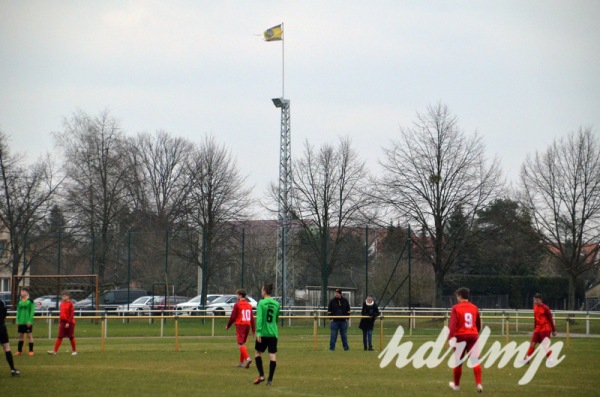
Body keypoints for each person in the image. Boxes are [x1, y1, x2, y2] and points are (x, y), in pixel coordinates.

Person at [447, 287, 483, 393]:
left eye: (457, 296)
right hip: (473, 335)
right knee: (475, 360)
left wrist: (450, 337)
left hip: (460, 336)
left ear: (460, 296)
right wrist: (476, 333)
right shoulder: (474, 307)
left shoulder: (455, 308)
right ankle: (479, 384)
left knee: (458, 362)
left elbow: (453, 325)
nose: (457, 298)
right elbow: (478, 323)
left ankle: (456, 386)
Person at [253, 283, 280, 386]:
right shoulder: (276, 304)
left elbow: (259, 319)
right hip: (273, 333)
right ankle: (270, 380)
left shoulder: (261, 303)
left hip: (263, 333)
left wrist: (258, 332)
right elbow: (276, 318)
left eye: (262, 290)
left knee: (257, 353)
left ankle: (261, 375)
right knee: (272, 356)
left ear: (264, 291)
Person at [521, 293, 557, 364]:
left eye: (537, 300)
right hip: (538, 329)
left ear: (540, 300)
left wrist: (553, 330)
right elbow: (535, 318)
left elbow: (550, 319)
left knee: (545, 346)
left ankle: (551, 360)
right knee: (532, 344)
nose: (535, 302)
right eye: (535, 300)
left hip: (545, 329)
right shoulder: (535, 307)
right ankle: (527, 360)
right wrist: (535, 328)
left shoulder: (545, 308)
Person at [226, 289, 256, 368]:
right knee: (243, 344)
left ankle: (248, 358)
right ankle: (241, 363)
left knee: (240, 344)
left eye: (237, 295)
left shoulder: (237, 305)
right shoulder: (249, 305)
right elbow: (252, 318)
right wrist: (253, 329)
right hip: (247, 325)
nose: (237, 296)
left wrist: (228, 325)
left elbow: (233, 317)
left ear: (239, 295)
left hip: (240, 325)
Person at [0, 296, 20, 376]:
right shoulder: (2, 302)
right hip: (1, 327)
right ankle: (12, 369)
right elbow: (5, 314)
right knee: (7, 347)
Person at [16, 287, 35, 356]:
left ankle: (31, 351)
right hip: (21, 322)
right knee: (20, 335)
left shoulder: (30, 301)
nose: (21, 293)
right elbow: (18, 312)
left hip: (27, 322)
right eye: (21, 292)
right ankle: (19, 351)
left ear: (26, 292)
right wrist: (17, 320)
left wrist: (30, 321)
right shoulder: (19, 302)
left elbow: (32, 312)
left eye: (23, 291)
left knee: (29, 335)